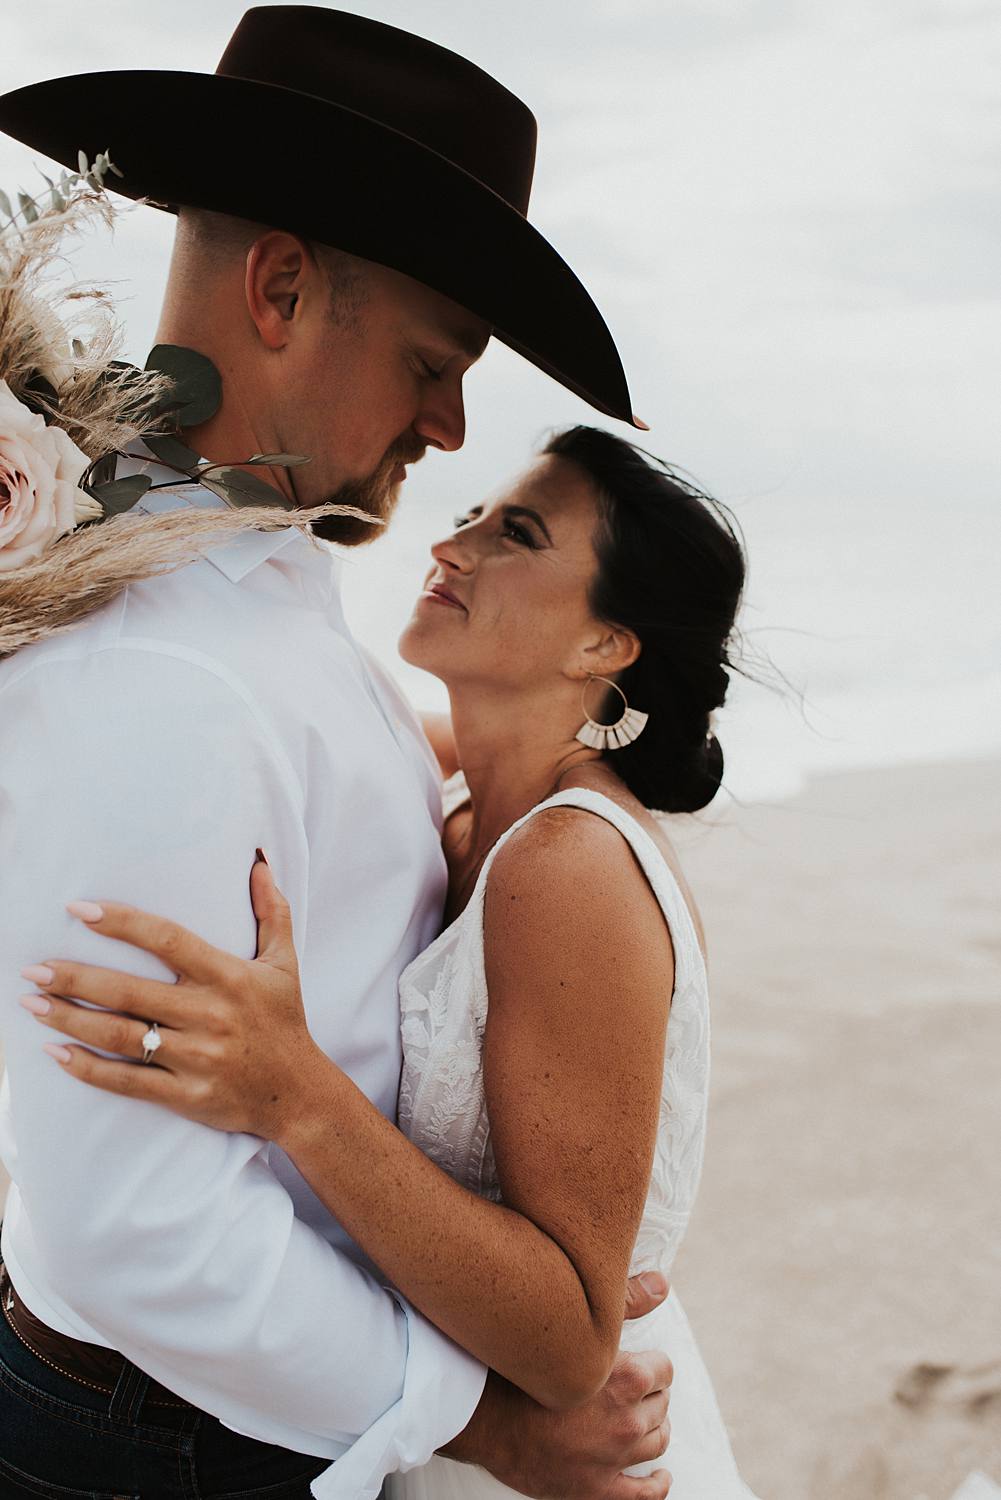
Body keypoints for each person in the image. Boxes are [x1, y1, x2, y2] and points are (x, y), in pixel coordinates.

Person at [0, 9, 673, 1500]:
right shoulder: (160, 671)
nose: (449, 426)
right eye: (435, 362)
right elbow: (138, 1233)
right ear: (285, 288)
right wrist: (476, 1420)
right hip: (176, 1444)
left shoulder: (249, 600)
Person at [18, 426, 760, 1497]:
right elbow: (271, 705)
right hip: (416, 1429)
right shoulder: (461, 806)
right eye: (469, 515)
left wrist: (298, 1096)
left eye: (517, 534)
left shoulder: (566, 864)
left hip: (559, 1455)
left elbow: (569, 1347)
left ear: (604, 647)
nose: (453, 544)